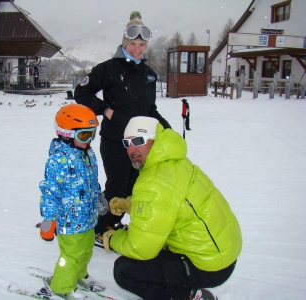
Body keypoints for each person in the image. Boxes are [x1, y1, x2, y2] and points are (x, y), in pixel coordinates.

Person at [102, 116, 242, 300]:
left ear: (155, 140)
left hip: (208, 265)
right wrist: (129, 204)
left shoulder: (154, 180)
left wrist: (113, 239)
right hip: (222, 253)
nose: (132, 149)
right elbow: (166, 202)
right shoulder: (173, 161)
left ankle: (190, 297)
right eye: (127, 142)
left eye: (138, 141)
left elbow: (141, 248)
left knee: (125, 270)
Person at [74, 11, 171, 242]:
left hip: (139, 144)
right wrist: (106, 110)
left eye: (141, 44)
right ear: (124, 43)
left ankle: (110, 222)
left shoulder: (149, 75)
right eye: (132, 44)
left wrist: (167, 130)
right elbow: (82, 92)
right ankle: (99, 228)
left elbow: (150, 110)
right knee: (117, 188)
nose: (137, 49)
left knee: (131, 190)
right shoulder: (108, 69)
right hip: (115, 141)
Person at [38, 104, 106, 300]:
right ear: (66, 134)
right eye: (84, 136)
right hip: (69, 221)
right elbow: (50, 192)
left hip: (88, 218)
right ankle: (61, 286)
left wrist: (99, 198)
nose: (89, 141)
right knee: (71, 255)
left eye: (92, 134)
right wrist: (48, 220)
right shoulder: (58, 160)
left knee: (86, 250)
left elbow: (92, 180)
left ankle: (80, 274)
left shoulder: (88, 153)